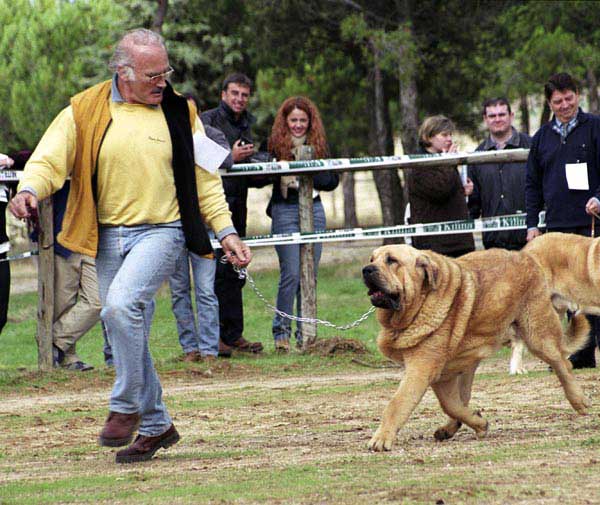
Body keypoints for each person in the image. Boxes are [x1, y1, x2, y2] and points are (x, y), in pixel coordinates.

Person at [9, 28, 251, 464]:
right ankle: (157, 425)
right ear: (123, 72)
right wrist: (29, 189)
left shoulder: (181, 111)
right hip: (105, 236)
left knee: (118, 308)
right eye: (152, 74)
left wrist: (227, 231)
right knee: (127, 327)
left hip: (162, 230)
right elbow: (49, 159)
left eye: (166, 71)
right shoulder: (85, 109)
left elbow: (205, 179)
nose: (162, 81)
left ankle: (124, 406)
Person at [526, 72, 600, 369]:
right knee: (567, 294)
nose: (565, 105)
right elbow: (532, 184)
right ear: (549, 103)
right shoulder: (541, 138)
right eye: (558, 101)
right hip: (558, 229)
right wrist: (532, 225)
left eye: (569, 98)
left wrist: (599, 197)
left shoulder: (595, 127)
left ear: (577, 96)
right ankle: (577, 352)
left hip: (592, 223)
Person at [267, 96, 339, 352]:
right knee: (291, 274)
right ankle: (281, 332)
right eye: (293, 120)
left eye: (303, 121)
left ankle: (306, 334)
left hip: (315, 208)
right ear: (285, 122)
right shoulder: (276, 145)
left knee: (310, 273)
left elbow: (332, 180)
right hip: (285, 209)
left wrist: (307, 169)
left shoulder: (318, 144)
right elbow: (260, 176)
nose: (298, 125)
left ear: (310, 123)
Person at [201, 73, 266, 355]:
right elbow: (205, 159)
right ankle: (213, 337)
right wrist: (232, 157)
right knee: (214, 273)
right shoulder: (207, 121)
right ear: (223, 94)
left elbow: (247, 171)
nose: (239, 99)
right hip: (214, 207)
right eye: (235, 93)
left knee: (236, 270)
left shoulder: (246, 123)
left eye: (244, 95)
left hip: (238, 205)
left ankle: (234, 334)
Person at [168, 94, 233, 363]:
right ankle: (189, 348)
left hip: (202, 228)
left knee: (206, 290)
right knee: (179, 290)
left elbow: (224, 162)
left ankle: (208, 349)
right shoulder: (164, 142)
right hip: (171, 226)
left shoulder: (203, 138)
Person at [406, 115, 475, 257]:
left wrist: (462, 191)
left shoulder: (445, 158)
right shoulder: (419, 164)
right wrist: (449, 163)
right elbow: (439, 190)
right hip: (436, 244)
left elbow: (448, 186)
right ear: (428, 137)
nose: (449, 139)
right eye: (444, 135)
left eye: (450, 134)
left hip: (458, 241)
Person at [468, 98, 531, 250]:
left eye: (502, 114)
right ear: (485, 119)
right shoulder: (477, 156)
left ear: (511, 115)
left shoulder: (531, 146)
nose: (497, 119)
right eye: (492, 116)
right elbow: (473, 205)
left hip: (531, 240)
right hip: (494, 244)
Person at [50, 181, 100, 371]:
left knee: (97, 301)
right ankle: (68, 358)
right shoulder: (59, 154)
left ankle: (52, 342)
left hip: (91, 237)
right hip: (63, 236)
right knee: (63, 303)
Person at [0, 153, 15, 336]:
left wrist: (10, 161)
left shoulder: (4, 161)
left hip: (1, 252)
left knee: (1, 316)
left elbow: (29, 157)